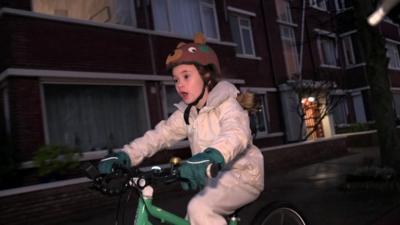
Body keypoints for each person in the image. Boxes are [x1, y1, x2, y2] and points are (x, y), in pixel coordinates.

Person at [98, 32, 264, 225]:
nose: (179, 85)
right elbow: (160, 135)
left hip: (244, 175)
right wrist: (125, 155)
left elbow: (236, 134)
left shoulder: (228, 105)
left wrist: (211, 156)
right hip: (213, 180)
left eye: (186, 76)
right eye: (176, 79)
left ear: (207, 76)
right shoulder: (188, 113)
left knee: (198, 209)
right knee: (191, 218)